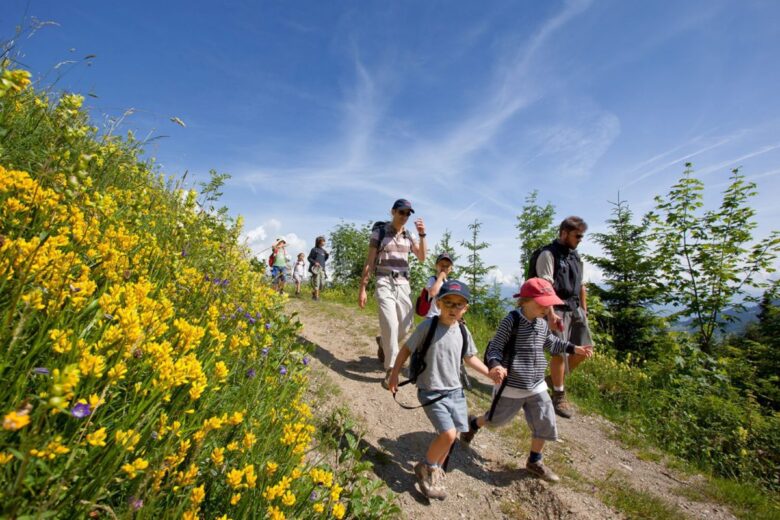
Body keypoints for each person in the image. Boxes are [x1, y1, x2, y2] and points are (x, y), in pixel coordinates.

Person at [460, 278, 593, 482]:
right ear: (525, 300)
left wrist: (573, 348)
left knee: (545, 420)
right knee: (495, 420)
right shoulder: (511, 320)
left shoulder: (541, 324)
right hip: (511, 386)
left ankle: (535, 461)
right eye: (542, 303)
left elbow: (551, 343)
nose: (546, 307)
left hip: (537, 384)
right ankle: (474, 424)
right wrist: (495, 365)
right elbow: (495, 347)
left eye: (548, 303)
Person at [387, 280, 495, 500]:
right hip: (431, 391)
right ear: (438, 303)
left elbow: (469, 357)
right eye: (448, 302)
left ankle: (434, 468)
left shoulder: (463, 331)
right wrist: (395, 373)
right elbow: (406, 349)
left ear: (466, 308)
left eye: (459, 304)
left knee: (453, 436)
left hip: (456, 392)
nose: (453, 308)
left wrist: (489, 373)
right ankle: (426, 467)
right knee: (448, 434)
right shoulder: (428, 326)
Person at [358, 199, 426, 387]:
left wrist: (422, 235)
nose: (404, 216)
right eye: (401, 212)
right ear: (393, 212)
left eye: (407, 214)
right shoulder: (379, 232)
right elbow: (369, 262)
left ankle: (383, 343)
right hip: (383, 280)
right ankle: (391, 369)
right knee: (390, 323)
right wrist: (362, 288)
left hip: (404, 283)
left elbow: (421, 258)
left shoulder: (409, 235)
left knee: (405, 326)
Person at [529, 216, 592, 418]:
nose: (580, 239)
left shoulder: (575, 256)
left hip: (575, 309)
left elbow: (582, 285)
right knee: (560, 352)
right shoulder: (548, 254)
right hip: (556, 308)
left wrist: (584, 310)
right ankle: (558, 395)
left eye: (581, 236)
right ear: (564, 233)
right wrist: (550, 313)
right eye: (577, 236)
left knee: (585, 350)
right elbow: (544, 285)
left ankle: (551, 380)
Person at [423, 252, 454, 318]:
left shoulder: (451, 282)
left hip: (445, 317)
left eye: (447, 266)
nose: (444, 267)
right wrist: (440, 277)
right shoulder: (432, 279)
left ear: (451, 269)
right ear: (436, 266)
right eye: (442, 264)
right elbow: (432, 293)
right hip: (432, 316)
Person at [307, 236, 329, 301]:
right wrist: (315, 262)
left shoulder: (324, 251)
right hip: (316, 269)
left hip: (322, 269)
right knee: (317, 283)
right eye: (323, 241)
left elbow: (324, 260)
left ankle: (314, 293)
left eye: (324, 241)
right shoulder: (314, 249)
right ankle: (316, 297)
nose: (324, 242)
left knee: (322, 284)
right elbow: (309, 258)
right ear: (319, 242)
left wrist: (327, 255)